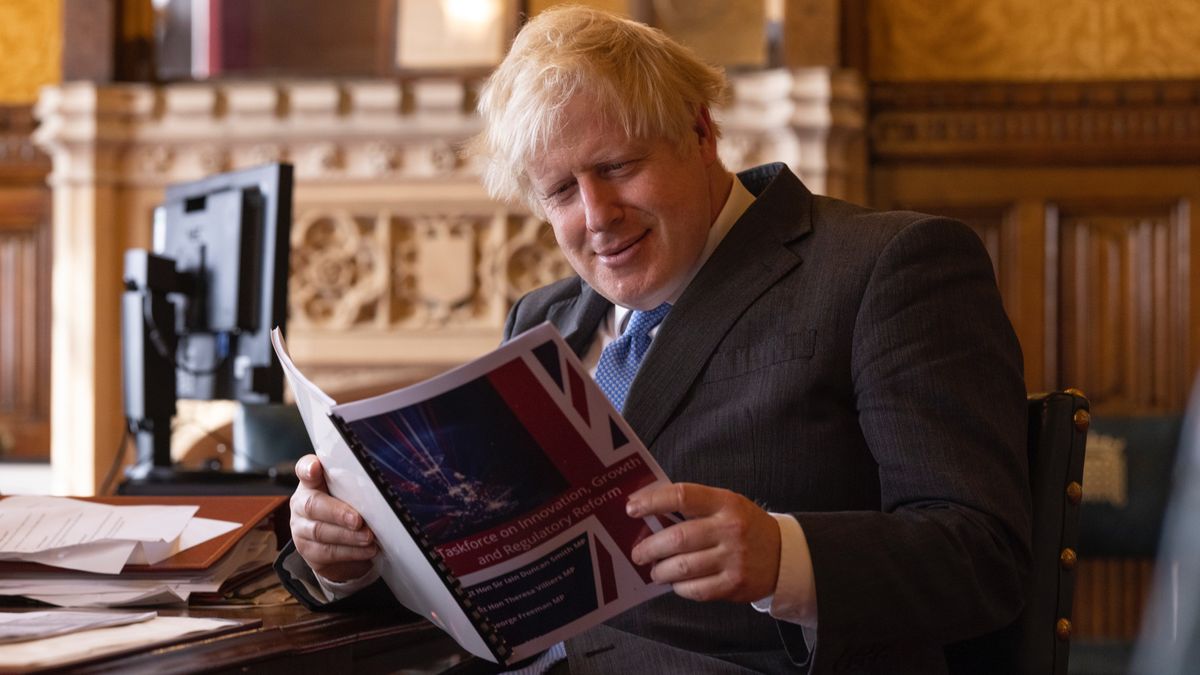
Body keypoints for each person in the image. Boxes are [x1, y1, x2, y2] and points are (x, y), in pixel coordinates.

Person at [277, 7, 1031, 674]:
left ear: (700, 130)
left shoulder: (885, 267)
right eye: (562, 192)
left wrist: (783, 556)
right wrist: (349, 557)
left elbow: (983, 556)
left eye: (617, 167)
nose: (596, 215)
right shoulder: (543, 321)